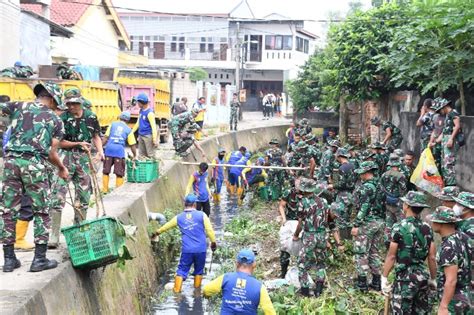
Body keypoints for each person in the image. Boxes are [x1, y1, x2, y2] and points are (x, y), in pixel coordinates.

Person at [1, 81, 68, 273]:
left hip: (11, 163)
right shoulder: (56, 121)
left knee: (7, 210)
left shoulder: (17, 106)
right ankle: (39, 259)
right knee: (42, 211)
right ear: (53, 100)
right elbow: (52, 154)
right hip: (34, 165)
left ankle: (9, 260)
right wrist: (62, 168)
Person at [381, 191, 437, 314]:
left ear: (406, 205)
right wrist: (433, 278)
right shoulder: (427, 228)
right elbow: (432, 257)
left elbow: (391, 256)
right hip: (422, 276)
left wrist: (384, 277)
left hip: (404, 279)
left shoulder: (399, 227)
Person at [152, 194, 217, 293]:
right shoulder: (202, 215)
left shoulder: (179, 217)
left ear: (185, 203)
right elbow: (210, 231)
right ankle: (196, 293)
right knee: (199, 270)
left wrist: (156, 232)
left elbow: (166, 226)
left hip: (187, 250)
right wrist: (213, 242)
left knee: (181, 270)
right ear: (195, 204)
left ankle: (177, 292)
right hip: (201, 249)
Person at [58, 88, 103, 224]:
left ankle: (79, 227)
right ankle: (54, 236)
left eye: (75, 103)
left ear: (81, 102)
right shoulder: (62, 118)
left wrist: (101, 152)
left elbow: (96, 136)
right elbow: (59, 142)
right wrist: (77, 143)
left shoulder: (91, 117)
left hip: (84, 158)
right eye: (69, 104)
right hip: (65, 157)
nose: (71, 107)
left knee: (83, 194)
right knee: (58, 194)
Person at [203, 249, 276, 315]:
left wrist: (207, 295)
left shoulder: (226, 278)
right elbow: (269, 311)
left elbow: (206, 290)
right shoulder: (259, 287)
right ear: (254, 265)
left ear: (237, 263)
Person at [429, 206, 471, 314]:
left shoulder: (448, 246)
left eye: (434, 221)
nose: (432, 223)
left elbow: (451, 280)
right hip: (466, 295)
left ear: (441, 224)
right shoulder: (462, 237)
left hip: (454, 301)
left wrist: (443, 306)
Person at [293, 178, 329, 297]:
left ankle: (305, 291)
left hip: (310, 236)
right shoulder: (323, 201)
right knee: (321, 263)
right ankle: (318, 290)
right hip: (322, 235)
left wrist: (296, 235)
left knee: (302, 263)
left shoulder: (302, 203)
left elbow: (300, 222)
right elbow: (327, 217)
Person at [352, 161, 384, 292]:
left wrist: (356, 224)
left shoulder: (367, 187)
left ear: (366, 173)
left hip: (368, 222)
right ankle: (377, 282)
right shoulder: (380, 185)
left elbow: (364, 207)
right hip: (380, 222)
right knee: (374, 252)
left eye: (362, 173)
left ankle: (362, 284)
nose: (360, 176)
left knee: (361, 252)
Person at [102, 111, 137, 193]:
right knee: (119, 172)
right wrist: (134, 155)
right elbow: (132, 145)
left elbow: (105, 138)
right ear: (128, 120)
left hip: (109, 150)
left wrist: (99, 149)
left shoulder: (112, 124)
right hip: (119, 153)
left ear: (120, 117)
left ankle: (104, 190)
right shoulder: (128, 130)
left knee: (106, 171)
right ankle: (118, 190)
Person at [328, 148, 356, 239]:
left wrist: (332, 186)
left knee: (341, 219)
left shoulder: (341, 168)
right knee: (348, 219)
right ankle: (350, 240)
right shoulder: (352, 166)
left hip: (342, 195)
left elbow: (340, 184)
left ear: (339, 156)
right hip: (351, 194)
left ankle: (344, 241)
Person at [380, 155, 407, 247]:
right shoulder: (401, 176)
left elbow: (381, 188)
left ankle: (387, 241)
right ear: (398, 165)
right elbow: (403, 191)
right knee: (401, 223)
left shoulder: (384, 175)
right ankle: (400, 242)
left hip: (388, 202)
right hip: (398, 203)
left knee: (389, 222)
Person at [434, 98, 461, 186]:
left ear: (444, 107)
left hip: (450, 139)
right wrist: (437, 141)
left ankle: (451, 186)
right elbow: (445, 130)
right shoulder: (447, 115)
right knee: (444, 164)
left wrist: (451, 139)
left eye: (440, 109)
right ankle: (447, 186)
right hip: (446, 138)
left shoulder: (453, 112)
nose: (440, 112)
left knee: (448, 164)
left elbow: (457, 126)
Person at [452, 192, 474, 297]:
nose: (455, 206)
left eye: (459, 204)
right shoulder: (464, 224)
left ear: (467, 208)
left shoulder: (471, 228)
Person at [278, 181, 300, 278]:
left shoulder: (308, 193)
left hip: (302, 223)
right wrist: (284, 218)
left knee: (302, 250)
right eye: (298, 181)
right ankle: (283, 273)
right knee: (285, 248)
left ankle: (301, 274)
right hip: (290, 221)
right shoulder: (289, 192)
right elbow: (281, 205)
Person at [131, 93, 158, 158]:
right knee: (141, 155)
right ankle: (143, 168)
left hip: (148, 136)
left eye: (138, 102)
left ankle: (152, 168)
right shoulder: (141, 111)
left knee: (150, 154)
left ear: (141, 103)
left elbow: (154, 127)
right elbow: (138, 123)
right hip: (141, 135)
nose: (137, 104)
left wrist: (154, 139)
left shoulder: (150, 113)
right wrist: (131, 132)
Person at [428, 98, 446, 171]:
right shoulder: (435, 117)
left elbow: (445, 131)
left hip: (444, 142)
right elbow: (434, 130)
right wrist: (431, 141)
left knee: (444, 163)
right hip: (436, 143)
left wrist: (436, 141)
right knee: (435, 161)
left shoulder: (448, 117)